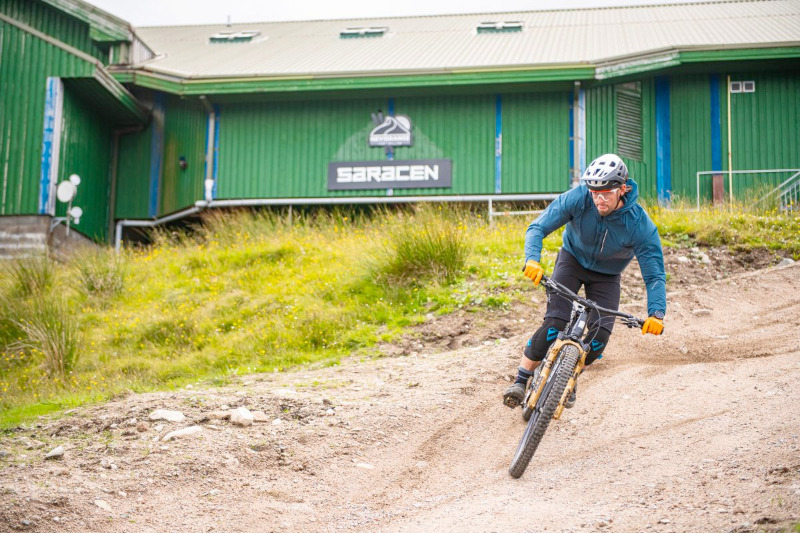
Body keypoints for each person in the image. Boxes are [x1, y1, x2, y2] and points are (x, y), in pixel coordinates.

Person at [503, 153, 666, 409]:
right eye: (594, 192)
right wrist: (532, 259)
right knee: (554, 323)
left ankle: (569, 374)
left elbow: (654, 274)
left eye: (607, 193)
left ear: (622, 189)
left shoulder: (640, 225)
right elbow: (537, 227)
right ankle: (521, 379)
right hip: (572, 261)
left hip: (607, 276)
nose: (599, 199)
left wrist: (656, 313)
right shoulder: (579, 198)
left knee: (599, 337)